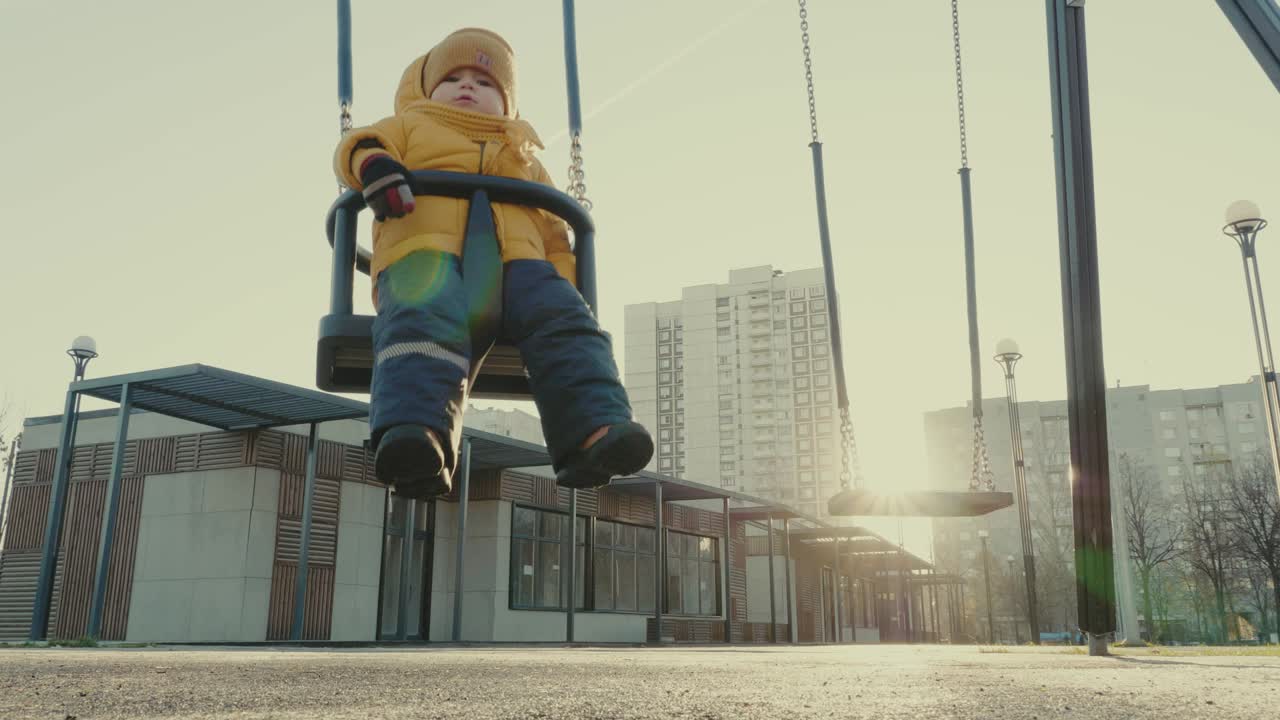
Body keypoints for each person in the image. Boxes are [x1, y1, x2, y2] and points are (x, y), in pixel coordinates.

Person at [333, 28, 652, 498]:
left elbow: (554, 234)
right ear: (426, 88)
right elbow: (359, 147)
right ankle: (417, 436)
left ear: (508, 103)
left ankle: (594, 430)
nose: (467, 87)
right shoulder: (408, 126)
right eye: (454, 77)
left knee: (565, 323)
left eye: (485, 84)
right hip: (425, 261)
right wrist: (377, 169)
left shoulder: (524, 156)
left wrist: (567, 288)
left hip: (521, 267)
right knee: (423, 321)